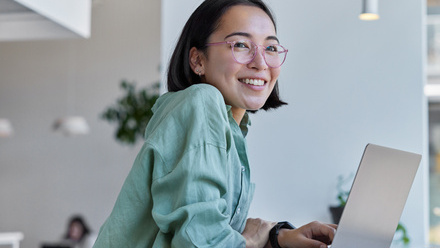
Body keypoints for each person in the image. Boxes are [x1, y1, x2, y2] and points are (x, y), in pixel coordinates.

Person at [93, 0, 337, 247]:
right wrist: (252, 241)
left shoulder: (232, 128)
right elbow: (201, 240)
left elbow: (210, 226)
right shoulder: (201, 102)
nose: (261, 63)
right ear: (198, 60)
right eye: (241, 45)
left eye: (271, 48)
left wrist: (276, 237)